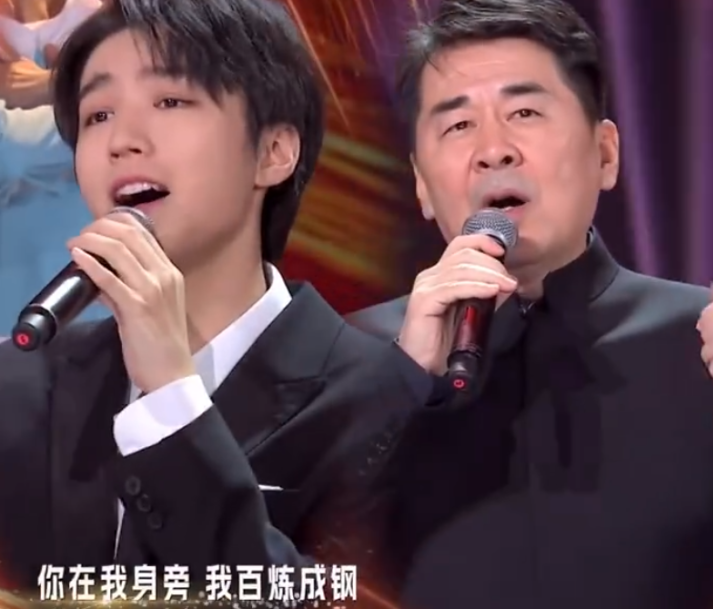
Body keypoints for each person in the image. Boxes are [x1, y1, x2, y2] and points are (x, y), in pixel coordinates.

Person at [345, 1, 713, 607]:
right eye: (458, 124)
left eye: (524, 112)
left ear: (606, 154)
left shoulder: (708, 344)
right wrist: (399, 385)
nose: (494, 150)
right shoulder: (351, 356)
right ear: (420, 183)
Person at [0, 0, 424, 597]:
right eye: (98, 114)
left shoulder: (388, 402)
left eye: (170, 101)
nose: (122, 140)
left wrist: (171, 398)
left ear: (273, 152)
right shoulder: (21, 381)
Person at [0, 0, 104, 326]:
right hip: (18, 316)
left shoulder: (121, 20)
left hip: (117, 307)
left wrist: (59, 85)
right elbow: (11, 152)